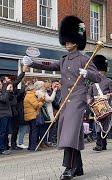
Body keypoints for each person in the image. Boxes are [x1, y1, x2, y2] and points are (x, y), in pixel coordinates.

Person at [22, 16, 101, 179]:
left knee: (69, 135)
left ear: (76, 41)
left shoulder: (85, 59)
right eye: (65, 41)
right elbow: (48, 66)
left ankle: (69, 168)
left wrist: (88, 73)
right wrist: (32, 63)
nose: (67, 44)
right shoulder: (63, 60)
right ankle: (78, 167)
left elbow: (98, 78)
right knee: (72, 134)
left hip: (77, 101)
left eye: (70, 41)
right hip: (65, 102)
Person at [87, 55, 112, 151]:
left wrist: (109, 95)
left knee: (104, 125)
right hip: (96, 106)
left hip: (105, 105)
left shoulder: (108, 81)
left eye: (100, 71)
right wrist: (89, 99)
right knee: (98, 124)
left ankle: (103, 144)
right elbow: (89, 93)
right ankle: (100, 144)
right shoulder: (92, 82)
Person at [1, 66, 28, 150]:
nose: (9, 79)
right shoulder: (5, 89)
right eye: (7, 79)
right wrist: (22, 72)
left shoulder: (10, 88)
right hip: (6, 112)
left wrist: (23, 73)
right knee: (5, 131)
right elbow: (17, 81)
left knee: (11, 130)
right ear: (3, 81)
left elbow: (17, 81)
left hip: (12, 111)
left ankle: (9, 145)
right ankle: (5, 146)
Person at [23, 84, 45, 151]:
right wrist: (41, 101)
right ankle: (33, 147)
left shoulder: (27, 95)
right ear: (32, 89)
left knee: (31, 131)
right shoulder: (31, 96)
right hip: (33, 115)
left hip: (28, 115)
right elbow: (36, 106)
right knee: (34, 131)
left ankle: (30, 146)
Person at [0, 83, 13, 155]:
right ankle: (1, 149)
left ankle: (5, 147)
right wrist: (7, 91)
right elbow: (4, 99)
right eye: (0, 84)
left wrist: (10, 92)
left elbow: (10, 99)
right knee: (2, 132)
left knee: (5, 132)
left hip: (7, 114)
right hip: (2, 115)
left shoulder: (3, 92)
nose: (1, 85)